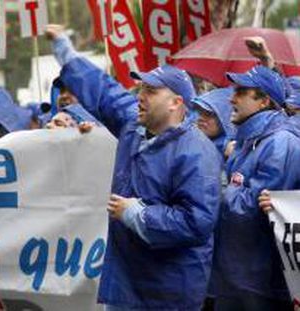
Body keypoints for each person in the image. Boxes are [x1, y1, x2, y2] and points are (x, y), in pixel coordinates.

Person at [46, 24, 222, 310]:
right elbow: (103, 92)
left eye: (151, 91)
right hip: (126, 284)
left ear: (176, 103)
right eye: (141, 88)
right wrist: (64, 50)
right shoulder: (134, 126)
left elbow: (197, 222)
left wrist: (136, 214)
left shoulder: (197, 152)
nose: (140, 96)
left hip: (169, 291)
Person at [210, 65, 300, 311]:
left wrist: (220, 189)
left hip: (262, 285)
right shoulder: (247, 140)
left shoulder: (281, 144)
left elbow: (249, 209)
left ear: (263, 102)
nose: (231, 98)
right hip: (236, 277)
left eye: (241, 92)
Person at [192, 88, 235, 158]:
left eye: (208, 114)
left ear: (224, 119)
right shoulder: (188, 141)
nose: (200, 118)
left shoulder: (236, 152)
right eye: (199, 112)